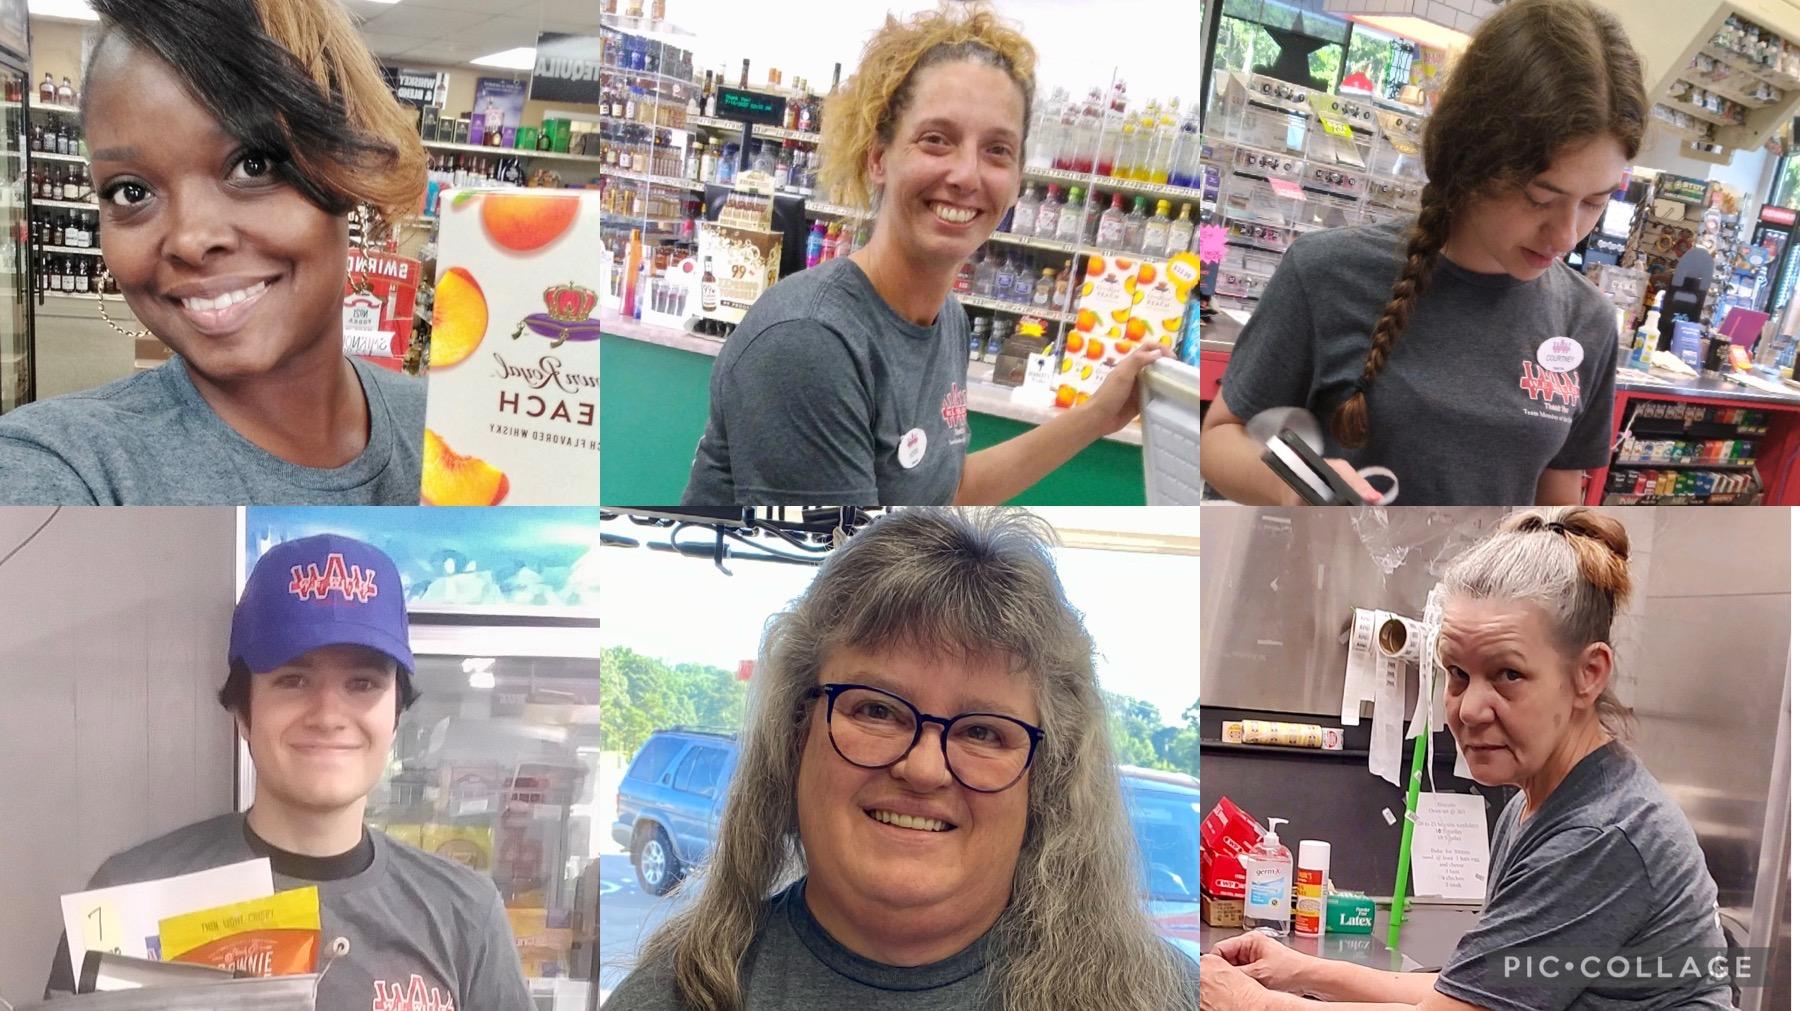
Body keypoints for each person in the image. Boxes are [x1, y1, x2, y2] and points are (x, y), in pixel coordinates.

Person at [604, 509, 1199, 1009]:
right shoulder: (670, 998)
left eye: (984, 732)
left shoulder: (1160, 998)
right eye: (876, 711)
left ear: (1045, 781)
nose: (923, 768)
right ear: (795, 737)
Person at [1202, 508, 1734, 1011]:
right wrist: (1295, 971)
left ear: (1588, 674)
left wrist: (1248, 1001)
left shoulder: (1600, 835)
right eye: (1457, 673)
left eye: (1508, 674)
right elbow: (1474, 989)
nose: (1470, 709)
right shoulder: (1534, 804)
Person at [681, 5, 1167, 506]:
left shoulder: (945, 321)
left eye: (997, 150)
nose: (967, 175)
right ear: (878, 159)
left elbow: (946, 493)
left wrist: (1098, 417)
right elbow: (846, 574)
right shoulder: (810, 340)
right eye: (937, 140)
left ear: (1019, 179)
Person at [45, 534, 531, 1006]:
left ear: (396, 715)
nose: (327, 714)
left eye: (362, 683)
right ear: (243, 713)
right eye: (293, 680)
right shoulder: (130, 892)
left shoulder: (464, 910)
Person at [1199, 0, 1646, 507]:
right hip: (1330, 579)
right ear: (1472, 158)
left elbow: (1557, 496)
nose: (1567, 235)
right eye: (1539, 198)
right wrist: (1301, 487)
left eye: (1594, 202)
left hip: (1486, 587)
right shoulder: (1326, 273)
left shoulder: (1585, 319)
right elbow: (1219, 438)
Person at [0, 0, 428, 505]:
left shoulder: (454, 435)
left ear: (347, 167)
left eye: (253, 164)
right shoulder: (63, 467)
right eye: (130, 192)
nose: (190, 240)